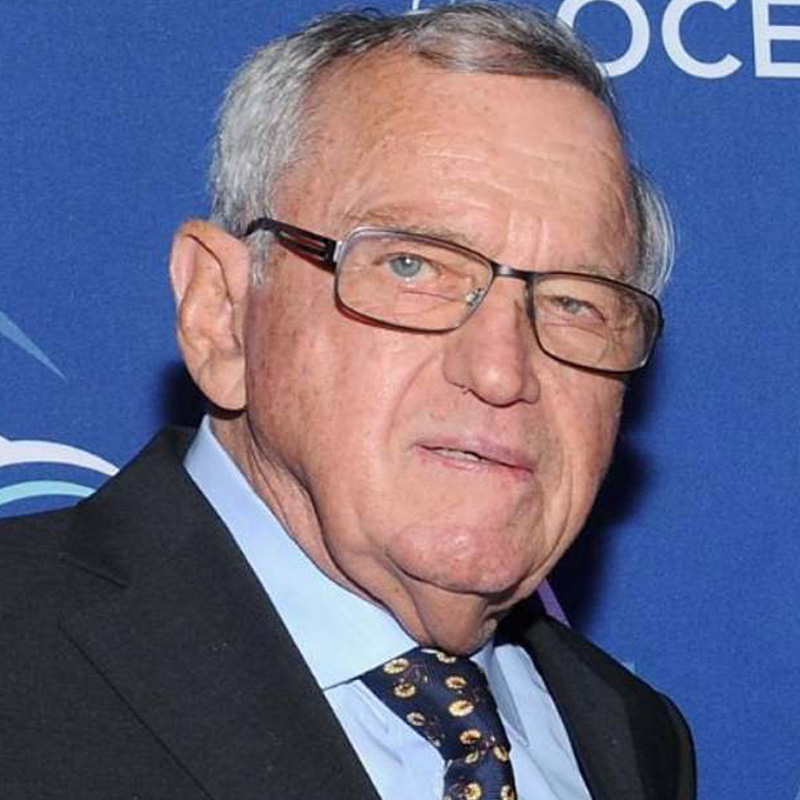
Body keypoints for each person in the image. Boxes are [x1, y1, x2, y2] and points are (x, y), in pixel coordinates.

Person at [0, 3, 695, 799]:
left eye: (576, 303)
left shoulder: (632, 737)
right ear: (221, 314)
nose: (502, 372)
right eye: (412, 266)